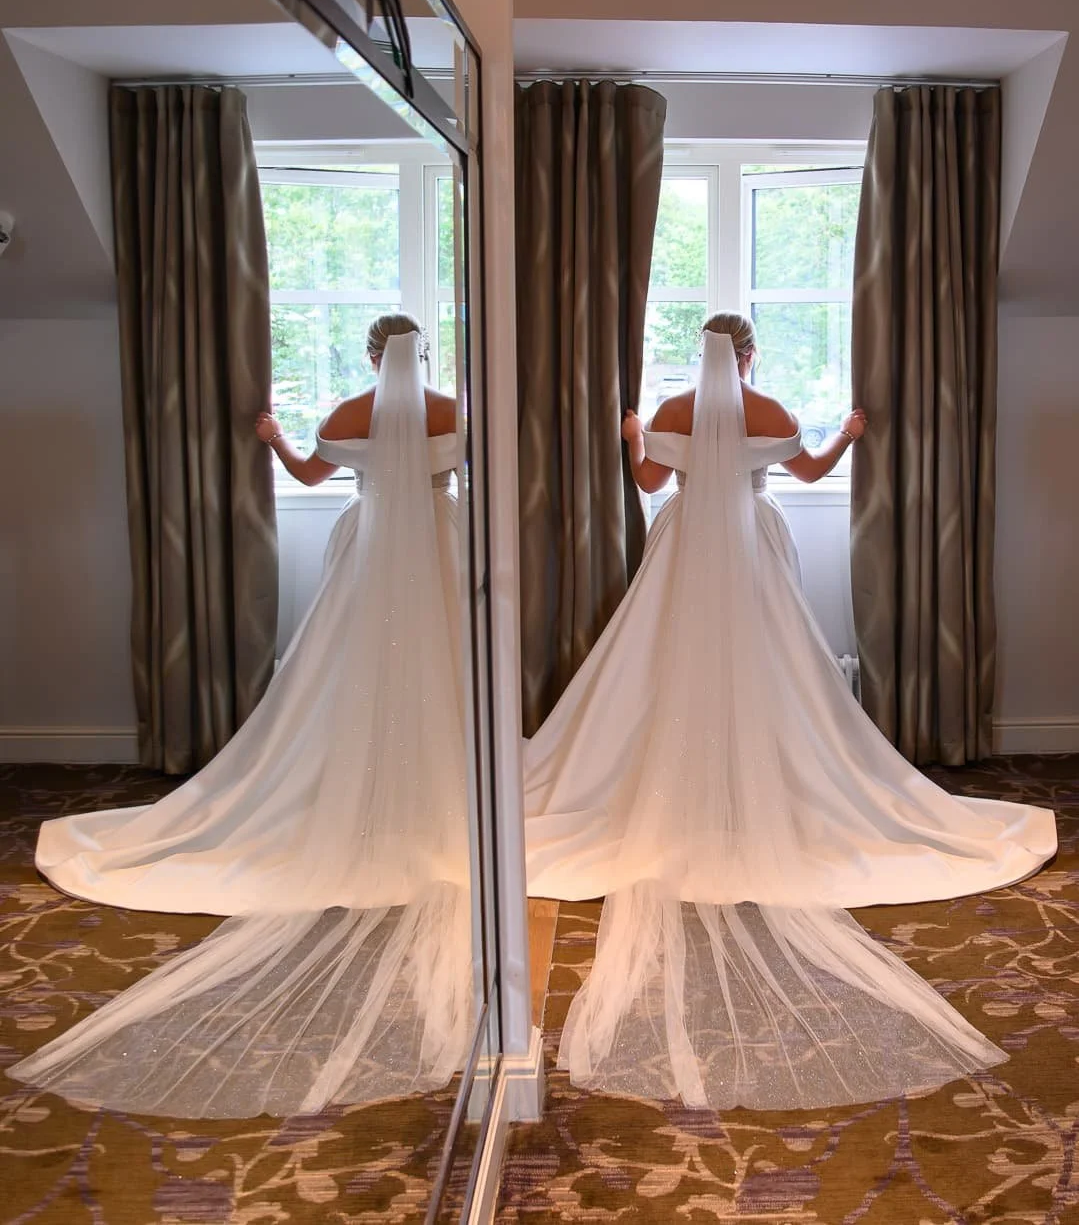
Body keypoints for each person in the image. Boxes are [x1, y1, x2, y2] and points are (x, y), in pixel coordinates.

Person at [524, 312, 1056, 1110]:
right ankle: (760, 788)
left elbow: (646, 486)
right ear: (746, 356)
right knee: (767, 666)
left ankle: (673, 788)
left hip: (681, 549)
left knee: (662, 667)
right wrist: (843, 436)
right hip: (749, 548)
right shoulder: (767, 410)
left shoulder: (672, 411)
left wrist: (634, 438)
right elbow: (806, 475)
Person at [8, 316, 473, 1117]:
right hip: (438, 540)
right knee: (445, 661)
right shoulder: (456, 413)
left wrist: (273, 437)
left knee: (354, 664)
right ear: (419, 355)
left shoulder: (343, 417)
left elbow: (310, 478)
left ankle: (354, 776)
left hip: (369, 547)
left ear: (372, 356)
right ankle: (441, 780)